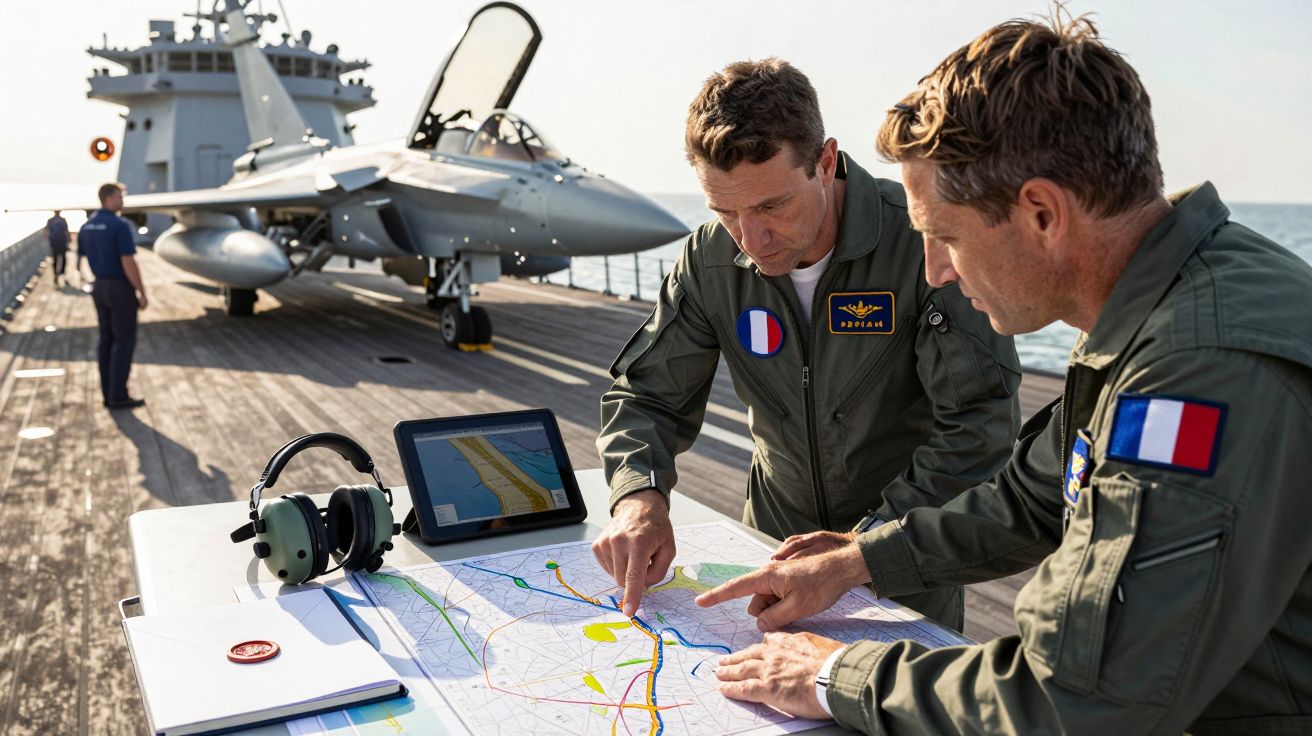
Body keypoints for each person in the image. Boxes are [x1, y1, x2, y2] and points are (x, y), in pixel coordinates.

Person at [695, 14, 1312, 734]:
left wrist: (829, 675)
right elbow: (1031, 499)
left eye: (945, 237)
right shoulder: (1159, 305)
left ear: (1042, 213)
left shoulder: (1197, 371)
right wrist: (857, 559)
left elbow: (1083, 696)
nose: (936, 273)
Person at [593, 58, 1021, 632]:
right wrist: (637, 496)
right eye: (724, 211)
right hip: (768, 551)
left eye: (771, 206)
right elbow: (647, 395)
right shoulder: (708, 258)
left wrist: (858, 552)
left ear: (824, 162)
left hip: (901, 564)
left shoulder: (922, 244)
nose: (750, 239)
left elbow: (978, 424)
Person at [80, 182, 148, 410]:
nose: (123, 201)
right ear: (109, 198)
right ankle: (118, 394)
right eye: (120, 197)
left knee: (106, 340)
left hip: (99, 287)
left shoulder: (87, 226)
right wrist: (141, 291)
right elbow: (128, 261)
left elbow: (82, 258)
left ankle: (107, 393)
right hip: (119, 288)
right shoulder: (119, 226)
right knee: (124, 340)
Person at [44, 210, 70, 286]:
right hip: (62, 242)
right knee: (63, 259)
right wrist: (68, 241)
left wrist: (48, 241)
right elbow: (67, 231)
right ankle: (62, 274)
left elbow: (46, 231)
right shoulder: (63, 220)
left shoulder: (50, 220)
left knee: (55, 259)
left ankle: (56, 275)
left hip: (54, 243)